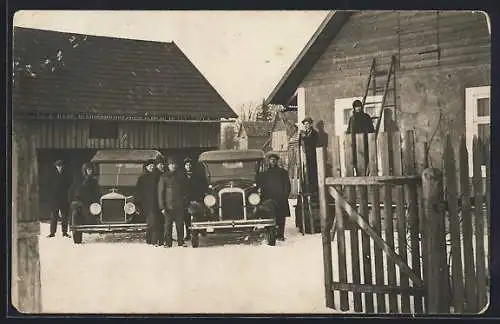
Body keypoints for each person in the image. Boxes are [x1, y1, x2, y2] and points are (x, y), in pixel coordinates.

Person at [258, 152, 291, 241]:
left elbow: (287, 185)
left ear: (277, 161)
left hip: (280, 198)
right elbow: (262, 186)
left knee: (281, 217)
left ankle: (280, 235)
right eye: (271, 160)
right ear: (269, 161)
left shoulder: (283, 172)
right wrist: (263, 197)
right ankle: (271, 233)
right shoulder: (265, 174)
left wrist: (285, 195)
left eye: (274, 160)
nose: (273, 162)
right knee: (270, 216)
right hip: (269, 199)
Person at [157, 157, 188, 248]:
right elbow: (160, 192)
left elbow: (185, 190)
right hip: (168, 206)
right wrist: (162, 207)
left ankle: (181, 241)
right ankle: (168, 242)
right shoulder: (164, 177)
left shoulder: (181, 176)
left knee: (180, 224)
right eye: (171, 164)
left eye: (174, 164)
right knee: (168, 225)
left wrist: (184, 202)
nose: (173, 166)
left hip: (179, 205)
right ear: (168, 166)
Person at [346, 99, 375, 175]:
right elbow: (349, 131)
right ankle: (359, 175)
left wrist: (369, 140)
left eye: (359, 106)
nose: (358, 108)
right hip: (354, 144)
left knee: (365, 161)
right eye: (356, 107)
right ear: (354, 108)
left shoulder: (366, 117)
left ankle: (365, 175)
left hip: (365, 143)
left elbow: (371, 129)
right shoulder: (352, 119)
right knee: (355, 162)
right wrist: (348, 141)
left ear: (361, 107)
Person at [136, 159, 160, 246]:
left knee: (153, 222)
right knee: (151, 222)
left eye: (153, 166)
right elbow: (138, 191)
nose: (152, 167)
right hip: (146, 204)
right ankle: (152, 240)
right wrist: (138, 203)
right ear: (146, 167)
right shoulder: (142, 178)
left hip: (156, 202)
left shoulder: (157, 177)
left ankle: (151, 240)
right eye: (150, 166)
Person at [182, 157, 207, 241]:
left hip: (196, 199)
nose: (188, 166)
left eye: (189, 164)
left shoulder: (197, 175)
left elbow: (201, 187)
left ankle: (201, 230)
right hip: (186, 200)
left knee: (199, 215)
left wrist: (200, 197)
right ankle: (188, 234)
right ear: (184, 166)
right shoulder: (181, 176)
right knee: (187, 218)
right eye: (186, 165)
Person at [68, 162, 100, 227]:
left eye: (91, 169)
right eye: (88, 169)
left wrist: (96, 200)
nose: (90, 171)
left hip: (92, 202)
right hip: (81, 202)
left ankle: (96, 221)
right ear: (85, 170)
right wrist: (71, 201)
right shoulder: (79, 181)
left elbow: (97, 192)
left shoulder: (94, 181)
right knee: (77, 212)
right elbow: (72, 191)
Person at [47, 159, 73, 238]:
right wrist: (51, 193)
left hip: (63, 198)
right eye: (58, 166)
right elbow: (48, 184)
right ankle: (52, 233)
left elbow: (70, 183)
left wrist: (65, 191)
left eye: (61, 166)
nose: (59, 168)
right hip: (54, 198)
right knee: (54, 216)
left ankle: (64, 232)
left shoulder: (66, 175)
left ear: (63, 166)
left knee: (64, 216)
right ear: (56, 166)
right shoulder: (52, 175)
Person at [300, 117, 320, 193]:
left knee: (313, 173)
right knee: (306, 173)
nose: (306, 126)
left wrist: (305, 138)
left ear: (311, 124)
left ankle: (314, 190)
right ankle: (307, 189)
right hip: (306, 156)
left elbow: (313, 143)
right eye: (305, 124)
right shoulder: (304, 134)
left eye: (307, 124)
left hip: (313, 156)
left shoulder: (315, 133)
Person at [153, 155, 166, 245]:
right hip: (156, 201)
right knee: (158, 222)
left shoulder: (163, 174)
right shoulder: (155, 175)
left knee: (161, 222)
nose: (162, 166)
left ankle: (160, 240)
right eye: (160, 164)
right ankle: (157, 240)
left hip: (161, 201)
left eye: (162, 164)